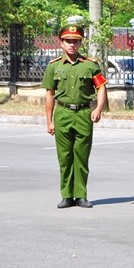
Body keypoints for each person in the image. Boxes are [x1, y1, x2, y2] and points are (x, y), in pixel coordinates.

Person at [42, 24, 107, 208]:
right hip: (62, 113)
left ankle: (81, 195)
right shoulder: (54, 66)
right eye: (68, 41)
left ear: (81, 43)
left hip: (83, 113)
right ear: (61, 43)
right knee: (64, 157)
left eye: (75, 41)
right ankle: (67, 195)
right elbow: (49, 94)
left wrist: (98, 108)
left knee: (81, 155)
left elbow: (101, 86)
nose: (72, 44)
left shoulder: (90, 65)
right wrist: (49, 120)